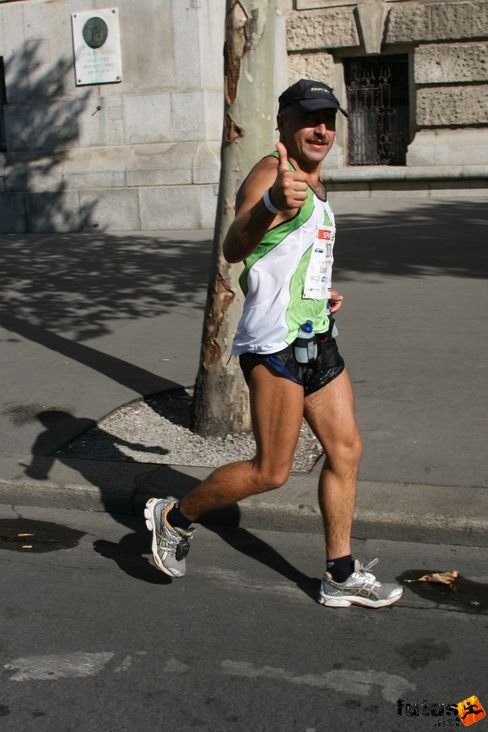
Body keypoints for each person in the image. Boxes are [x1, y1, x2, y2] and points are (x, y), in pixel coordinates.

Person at [144, 79, 403, 609]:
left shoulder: (316, 182)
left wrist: (319, 293)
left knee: (346, 450)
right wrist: (267, 202)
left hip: (317, 337)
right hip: (275, 345)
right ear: (282, 124)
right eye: (310, 118)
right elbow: (235, 246)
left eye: (329, 119)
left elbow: (291, 252)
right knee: (271, 472)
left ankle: (339, 573)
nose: (322, 129)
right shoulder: (271, 173)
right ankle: (173, 518)